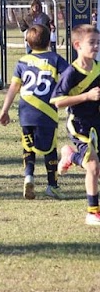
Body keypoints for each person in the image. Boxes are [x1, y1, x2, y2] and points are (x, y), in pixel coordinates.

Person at [0, 24, 69, 200]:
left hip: (25, 111)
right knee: (50, 148)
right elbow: (70, 75)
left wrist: (4, 110)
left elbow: (14, 87)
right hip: (46, 111)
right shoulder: (54, 59)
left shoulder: (22, 61)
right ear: (49, 40)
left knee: (28, 145)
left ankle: (28, 176)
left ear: (27, 42)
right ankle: (52, 185)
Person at [50, 24, 100, 225]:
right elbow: (57, 101)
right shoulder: (72, 72)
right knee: (93, 166)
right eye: (92, 43)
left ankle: (71, 155)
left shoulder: (97, 67)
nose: (96, 46)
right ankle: (92, 212)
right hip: (78, 124)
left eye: (98, 42)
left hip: (96, 121)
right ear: (78, 45)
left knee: (96, 166)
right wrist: (86, 96)